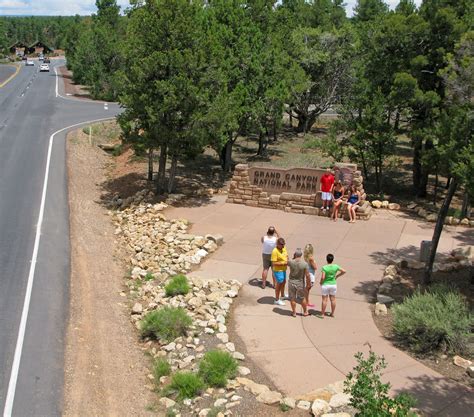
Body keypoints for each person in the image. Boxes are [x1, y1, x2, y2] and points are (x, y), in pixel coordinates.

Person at [320, 254, 346, 318]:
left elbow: (323, 277)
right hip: (333, 284)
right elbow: (344, 271)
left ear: (326, 260)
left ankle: (322, 314)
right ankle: (332, 313)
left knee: (324, 300)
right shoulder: (335, 266)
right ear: (332, 260)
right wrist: (337, 276)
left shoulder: (324, 267)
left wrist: (321, 282)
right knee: (333, 299)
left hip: (325, 285)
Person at [287, 249, 311, 317]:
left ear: (295, 254)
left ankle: (294, 312)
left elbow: (286, 262)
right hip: (300, 283)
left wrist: (291, 258)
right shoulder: (305, 264)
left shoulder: (291, 262)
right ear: (301, 255)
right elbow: (307, 275)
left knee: (292, 298)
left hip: (291, 282)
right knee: (302, 298)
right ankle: (305, 311)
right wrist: (308, 283)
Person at [271, 237, 288, 306]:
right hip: (278, 270)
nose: (283, 246)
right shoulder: (274, 251)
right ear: (277, 244)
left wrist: (288, 260)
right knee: (279, 283)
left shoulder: (284, 248)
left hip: (284, 269)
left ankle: (283, 295)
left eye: (283, 244)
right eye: (281, 244)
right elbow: (273, 263)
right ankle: (277, 300)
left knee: (284, 282)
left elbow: (286, 255)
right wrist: (282, 263)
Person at [303, 243, 317, 308]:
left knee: (307, 289)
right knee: (308, 289)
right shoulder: (311, 258)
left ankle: (306, 301)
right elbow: (315, 267)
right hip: (311, 275)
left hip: (308, 273)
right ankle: (306, 301)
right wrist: (315, 264)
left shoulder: (305, 257)